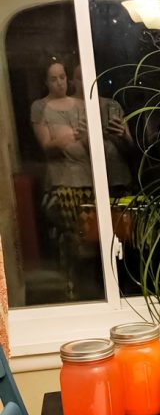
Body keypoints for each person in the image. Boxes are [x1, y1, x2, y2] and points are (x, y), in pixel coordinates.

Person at [30, 58, 97, 298]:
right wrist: (65, 138)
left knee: (93, 237)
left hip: (89, 179)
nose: (59, 82)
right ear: (45, 81)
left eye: (63, 77)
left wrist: (84, 137)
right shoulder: (40, 107)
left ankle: (96, 288)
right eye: (53, 78)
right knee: (71, 238)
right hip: (62, 181)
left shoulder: (80, 104)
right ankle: (71, 291)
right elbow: (46, 144)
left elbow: (94, 144)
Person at [72, 65, 135, 194]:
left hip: (119, 180)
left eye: (90, 77)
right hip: (86, 182)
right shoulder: (70, 108)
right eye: (80, 78)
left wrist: (123, 135)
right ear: (72, 82)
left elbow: (131, 149)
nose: (86, 81)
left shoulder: (112, 105)